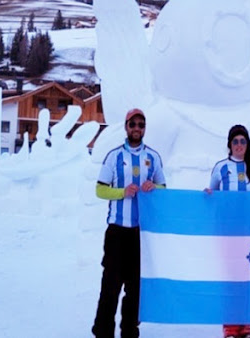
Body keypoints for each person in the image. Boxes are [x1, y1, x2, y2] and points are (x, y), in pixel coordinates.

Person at [92, 108, 166, 338]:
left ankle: (129, 331)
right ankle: (103, 331)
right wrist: (122, 192)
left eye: (141, 125)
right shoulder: (113, 156)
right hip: (117, 232)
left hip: (140, 234)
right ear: (126, 127)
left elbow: (164, 188)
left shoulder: (152, 157)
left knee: (135, 288)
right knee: (111, 286)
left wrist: (154, 188)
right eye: (132, 124)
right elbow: (100, 190)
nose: (137, 128)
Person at [206, 124, 250, 338]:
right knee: (231, 279)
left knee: (246, 280)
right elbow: (211, 195)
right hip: (227, 232)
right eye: (235, 141)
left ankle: (247, 328)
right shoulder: (221, 167)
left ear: (247, 144)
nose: (239, 145)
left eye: (243, 141)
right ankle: (230, 328)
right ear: (230, 145)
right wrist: (207, 195)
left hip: (248, 232)